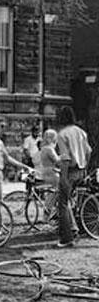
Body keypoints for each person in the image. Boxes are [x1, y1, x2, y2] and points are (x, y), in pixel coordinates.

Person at [56, 106, 92, 247]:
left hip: (69, 172)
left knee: (63, 203)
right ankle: (74, 228)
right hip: (81, 170)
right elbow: (89, 151)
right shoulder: (81, 132)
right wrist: (85, 169)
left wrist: (63, 177)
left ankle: (66, 238)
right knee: (70, 201)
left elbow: (65, 158)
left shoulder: (62, 134)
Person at [0, 119, 30, 200]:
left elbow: (7, 158)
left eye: (4, 127)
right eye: (1, 126)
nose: (3, 129)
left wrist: (22, 165)